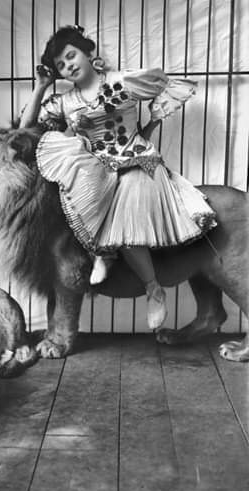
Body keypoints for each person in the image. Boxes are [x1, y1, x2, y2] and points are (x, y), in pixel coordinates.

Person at [19, 25, 217, 330]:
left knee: (124, 208)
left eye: (71, 56)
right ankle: (102, 251)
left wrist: (135, 99)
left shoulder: (119, 82)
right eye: (61, 64)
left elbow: (160, 82)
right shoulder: (65, 102)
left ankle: (153, 289)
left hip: (136, 163)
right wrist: (41, 86)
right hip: (99, 168)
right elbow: (26, 127)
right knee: (71, 188)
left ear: (87, 53)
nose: (68, 65)